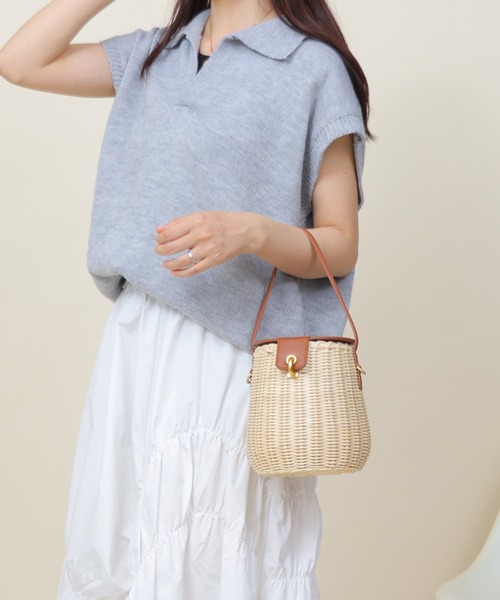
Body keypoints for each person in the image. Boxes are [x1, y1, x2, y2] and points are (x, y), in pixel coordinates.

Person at [0, 0, 374, 598]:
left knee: (212, 559)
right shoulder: (155, 54)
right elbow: (19, 62)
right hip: (135, 347)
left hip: (233, 359)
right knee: (120, 550)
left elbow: (341, 243)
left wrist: (253, 232)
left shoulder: (312, 68)